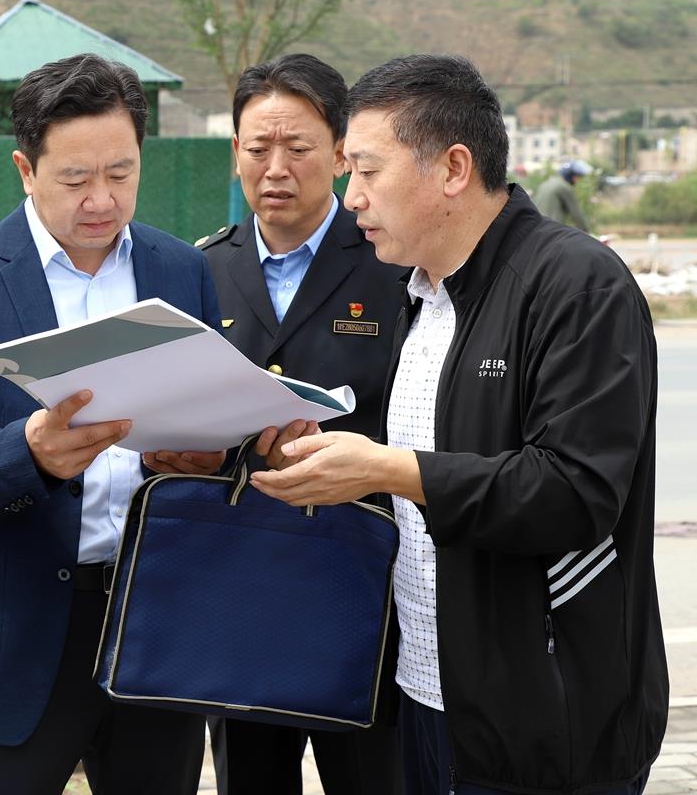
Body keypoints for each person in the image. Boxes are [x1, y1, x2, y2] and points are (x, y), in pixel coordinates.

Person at [254, 54, 667, 795]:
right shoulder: (418, 294)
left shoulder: (574, 285)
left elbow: (575, 492)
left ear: (452, 168)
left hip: (547, 718)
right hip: (427, 692)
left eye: (367, 171)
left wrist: (389, 469)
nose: (351, 198)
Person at [0, 53, 222, 795]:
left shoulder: (182, 271)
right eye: (75, 178)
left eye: (121, 173)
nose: (102, 199)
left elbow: (209, 407)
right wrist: (26, 452)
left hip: (153, 618)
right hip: (15, 628)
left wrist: (208, 457)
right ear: (25, 169)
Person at [197, 53, 405, 795]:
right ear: (236, 153)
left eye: (298, 148)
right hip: (240, 586)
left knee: (374, 777)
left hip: (363, 586)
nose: (276, 168)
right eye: (258, 148)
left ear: (342, 153)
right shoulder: (201, 270)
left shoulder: (392, 264)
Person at [534, 159, 591, 232]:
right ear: (570, 176)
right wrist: (586, 232)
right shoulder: (564, 187)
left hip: (537, 228)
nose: (577, 181)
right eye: (577, 177)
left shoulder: (545, 184)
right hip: (552, 231)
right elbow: (577, 215)